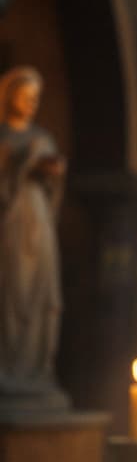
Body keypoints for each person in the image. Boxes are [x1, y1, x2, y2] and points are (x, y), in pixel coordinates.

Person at [0, 66, 68, 410]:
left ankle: (35, 369)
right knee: (11, 291)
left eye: (36, 99)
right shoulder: (3, 137)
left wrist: (52, 174)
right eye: (25, 97)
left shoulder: (42, 138)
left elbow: (54, 186)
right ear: (9, 96)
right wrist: (20, 165)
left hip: (38, 217)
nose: (30, 104)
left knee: (42, 292)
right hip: (10, 220)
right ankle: (8, 368)